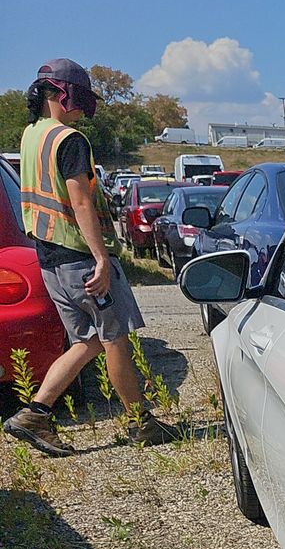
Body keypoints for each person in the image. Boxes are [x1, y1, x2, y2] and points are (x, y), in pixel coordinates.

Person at [3, 58, 176, 457]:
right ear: (60, 94)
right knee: (114, 339)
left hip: (49, 258)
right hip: (81, 258)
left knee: (87, 341)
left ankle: (34, 413)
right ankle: (140, 423)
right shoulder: (69, 140)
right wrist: (101, 258)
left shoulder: (31, 136)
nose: (82, 108)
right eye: (79, 97)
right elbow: (80, 201)